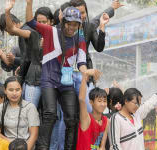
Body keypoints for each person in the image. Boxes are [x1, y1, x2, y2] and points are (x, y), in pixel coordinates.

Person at [24, 0, 101, 148]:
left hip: (66, 81)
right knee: (50, 115)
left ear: (79, 24)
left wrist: (88, 71)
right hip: (48, 80)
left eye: (75, 24)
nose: (72, 27)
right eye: (69, 23)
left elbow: (81, 63)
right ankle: (42, 148)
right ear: (63, 21)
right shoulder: (50, 31)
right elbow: (30, 22)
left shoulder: (80, 38)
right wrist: (28, 4)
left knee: (71, 118)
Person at [109, 74, 157, 150]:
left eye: (139, 104)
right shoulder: (116, 119)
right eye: (135, 103)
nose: (137, 106)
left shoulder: (137, 114)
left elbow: (153, 100)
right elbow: (114, 146)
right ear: (126, 101)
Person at [0, 76, 39, 150]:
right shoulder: (1, 107)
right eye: (11, 90)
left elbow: (34, 135)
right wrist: (10, 144)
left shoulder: (30, 107)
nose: (14, 93)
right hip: (6, 146)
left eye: (17, 90)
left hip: (26, 147)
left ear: (21, 90)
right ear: (5, 91)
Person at [76, 72, 109, 150]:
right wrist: (85, 76)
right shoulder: (87, 119)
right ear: (91, 102)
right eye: (99, 101)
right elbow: (81, 99)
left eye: (104, 101)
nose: (103, 104)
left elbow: (102, 147)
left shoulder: (106, 121)